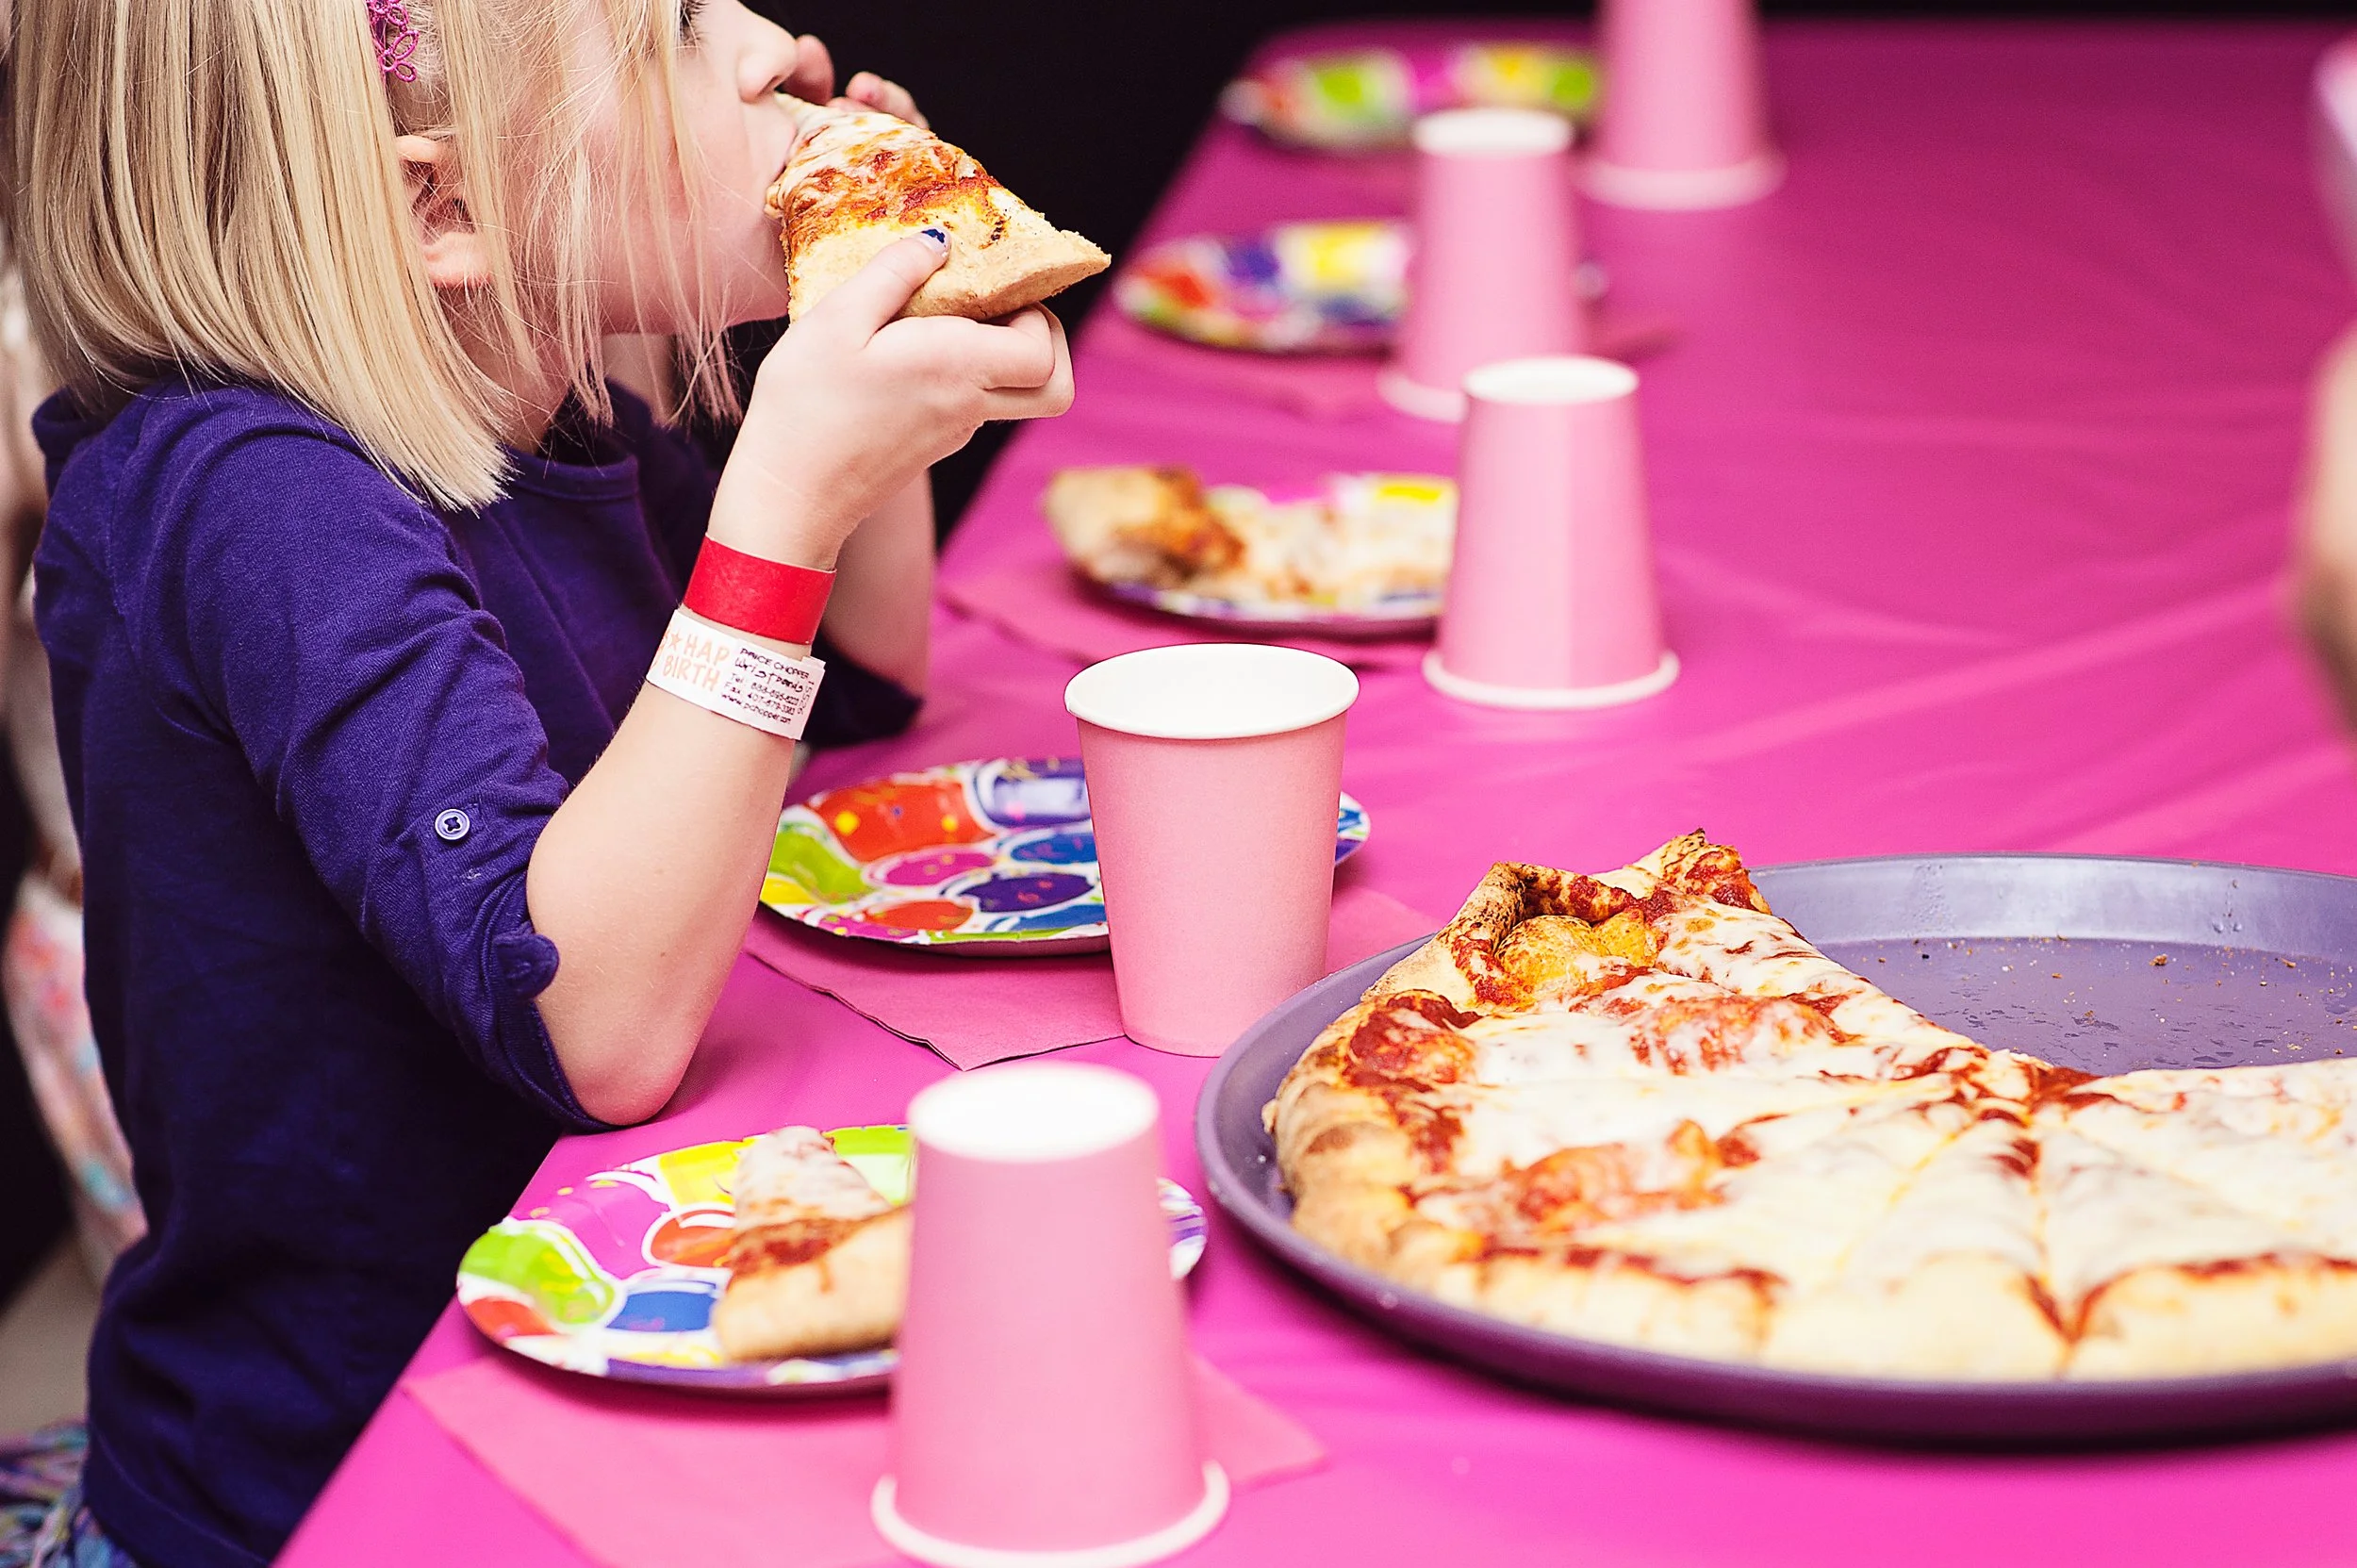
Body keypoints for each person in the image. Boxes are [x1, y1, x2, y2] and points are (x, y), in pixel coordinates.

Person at [6, 0, 1074, 1562]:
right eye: (681, 32)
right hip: (360, 1476)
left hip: (621, 1339)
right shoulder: (261, 501)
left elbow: (852, 691)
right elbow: (592, 1020)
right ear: (442, 208)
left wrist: (873, 345)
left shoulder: (544, 414)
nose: (779, 44)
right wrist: (785, 496)